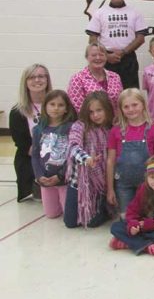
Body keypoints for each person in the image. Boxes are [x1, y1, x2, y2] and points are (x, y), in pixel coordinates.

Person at [106, 89, 154, 216]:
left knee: (149, 217)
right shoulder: (116, 130)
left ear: (143, 104)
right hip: (123, 185)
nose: (131, 109)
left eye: (135, 105)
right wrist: (110, 189)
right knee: (126, 219)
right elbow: (110, 161)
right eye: (126, 106)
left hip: (149, 185)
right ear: (121, 109)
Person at [85, 0, 148, 89]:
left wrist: (123, 52)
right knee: (105, 96)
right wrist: (106, 55)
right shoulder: (99, 13)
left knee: (130, 93)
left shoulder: (135, 12)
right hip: (106, 60)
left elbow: (140, 38)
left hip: (128, 60)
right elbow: (92, 39)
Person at [64, 91, 113, 228]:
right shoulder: (79, 126)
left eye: (99, 110)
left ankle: (104, 209)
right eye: (91, 112)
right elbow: (73, 147)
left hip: (99, 184)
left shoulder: (110, 130)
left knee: (92, 223)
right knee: (70, 223)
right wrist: (87, 159)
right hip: (79, 181)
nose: (95, 115)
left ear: (107, 109)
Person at [31, 90, 77, 218]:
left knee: (68, 214)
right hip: (45, 179)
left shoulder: (71, 128)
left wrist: (60, 176)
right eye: (52, 104)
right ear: (45, 106)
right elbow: (35, 155)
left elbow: (72, 156)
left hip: (64, 179)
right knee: (51, 215)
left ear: (67, 109)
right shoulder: (38, 129)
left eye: (60, 105)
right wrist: (39, 176)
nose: (56, 108)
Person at [10, 63, 52, 202]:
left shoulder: (57, 104)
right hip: (31, 158)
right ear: (25, 82)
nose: (37, 80)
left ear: (47, 80)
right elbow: (22, 144)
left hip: (58, 157)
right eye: (32, 77)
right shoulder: (17, 112)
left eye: (41, 76)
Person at [67, 43, 123, 111]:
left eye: (101, 55)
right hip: (89, 120)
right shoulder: (77, 79)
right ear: (87, 57)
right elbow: (78, 107)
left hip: (115, 121)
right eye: (94, 55)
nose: (98, 58)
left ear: (106, 57)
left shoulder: (115, 77)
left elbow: (121, 102)